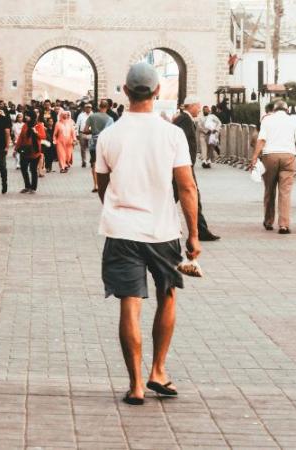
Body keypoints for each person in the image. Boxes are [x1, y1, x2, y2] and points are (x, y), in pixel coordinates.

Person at [95, 62, 201, 405]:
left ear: (125, 92)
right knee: (167, 294)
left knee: (129, 304)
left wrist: (116, 206)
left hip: (121, 230)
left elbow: (102, 184)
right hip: (163, 230)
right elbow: (186, 187)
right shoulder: (172, 134)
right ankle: (158, 370)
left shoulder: (109, 135)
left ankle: (136, 384)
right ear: (157, 92)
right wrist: (194, 235)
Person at [249, 100, 296, 234]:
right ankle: (284, 225)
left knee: (269, 190)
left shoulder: (267, 120)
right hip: (288, 156)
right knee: (285, 192)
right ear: (287, 110)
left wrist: (254, 157)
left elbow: (261, 139)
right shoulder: (294, 120)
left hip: (269, 156)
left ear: (274, 110)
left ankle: (269, 221)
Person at [173, 96, 221, 241]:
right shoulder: (184, 120)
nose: (200, 109)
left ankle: (201, 230)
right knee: (191, 196)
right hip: (183, 165)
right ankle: (200, 231)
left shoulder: (185, 119)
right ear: (191, 106)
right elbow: (180, 142)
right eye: (198, 106)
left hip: (184, 164)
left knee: (185, 197)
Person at [84, 100, 114, 193]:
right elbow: (111, 133)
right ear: (108, 107)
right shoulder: (110, 119)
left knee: (94, 163)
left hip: (94, 143)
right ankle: (106, 185)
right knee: (106, 163)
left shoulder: (92, 117)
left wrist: (93, 131)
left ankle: (96, 185)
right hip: (105, 143)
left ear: (99, 106)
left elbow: (85, 130)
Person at [15, 116, 42, 194]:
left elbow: (43, 136)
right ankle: (27, 186)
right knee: (23, 168)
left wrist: (36, 132)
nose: (26, 117)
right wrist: (16, 148)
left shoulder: (39, 125)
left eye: (28, 116)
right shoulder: (25, 125)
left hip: (35, 151)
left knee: (33, 170)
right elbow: (20, 137)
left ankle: (33, 188)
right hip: (25, 151)